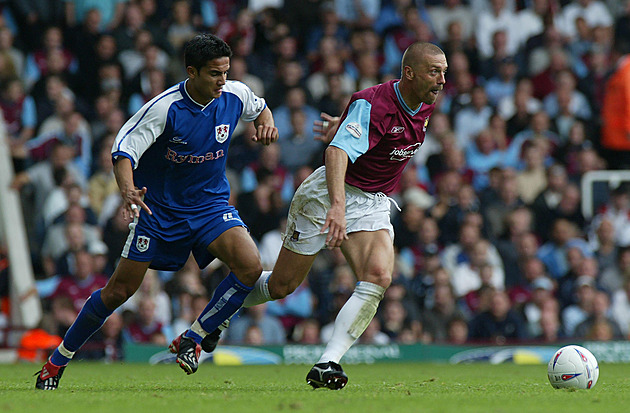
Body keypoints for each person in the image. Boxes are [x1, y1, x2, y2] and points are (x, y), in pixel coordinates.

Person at [35, 33, 278, 390]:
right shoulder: (165, 109)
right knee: (119, 291)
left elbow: (261, 107)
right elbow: (123, 150)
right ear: (191, 72)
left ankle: (194, 337)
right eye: (214, 74)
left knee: (249, 265)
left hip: (210, 205)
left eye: (225, 72)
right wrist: (128, 191)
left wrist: (264, 124)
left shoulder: (235, 94)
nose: (222, 81)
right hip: (159, 211)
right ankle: (56, 363)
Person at [218, 42, 447, 390]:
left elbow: (361, 132)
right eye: (435, 71)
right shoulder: (376, 103)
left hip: (373, 200)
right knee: (282, 286)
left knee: (379, 276)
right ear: (410, 73)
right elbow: (337, 151)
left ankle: (328, 362)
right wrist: (337, 205)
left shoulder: (424, 103)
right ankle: (219, 309)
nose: (442, 79)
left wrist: (343, 126)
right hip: (329, 192)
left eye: (444, 71)